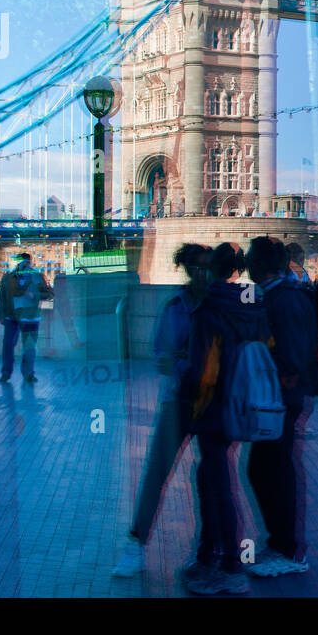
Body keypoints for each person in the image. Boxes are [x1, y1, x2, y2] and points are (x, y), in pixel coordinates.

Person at [111, 243, 211, 578]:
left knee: (212, 479)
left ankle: (207, 551)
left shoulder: (221, 306)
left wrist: (183, 361)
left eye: (206, 266)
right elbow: (162, 355)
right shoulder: (176, 308)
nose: (201, 273)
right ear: (185, 269)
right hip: (179, 400)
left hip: (212, 403)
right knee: (156, 473)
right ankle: (136, 545)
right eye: (194, 266)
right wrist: (185, 363)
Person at [181, 242, 271, 595]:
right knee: (213, 477)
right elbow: (266, 348)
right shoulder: (252, 303)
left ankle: (229, 564)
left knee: (217, 483)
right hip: (243, 403)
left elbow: (204, 369)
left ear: (211, 269)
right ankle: (209, 555)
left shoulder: (208, 308)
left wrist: (194, 409)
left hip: (214, 407)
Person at [245, 236, 317, 578]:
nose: (247, 266)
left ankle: (286, 549)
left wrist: (280, 380)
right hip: (279, 399)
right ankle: (282, 545)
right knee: (269, 469)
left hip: (280, 401)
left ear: (262, 264)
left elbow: (291, 351)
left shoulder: (283, 299)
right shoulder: (285, 294)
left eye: (251, 259)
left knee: (271, 470)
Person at [0, 253, 54, 384]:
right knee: (8, 346)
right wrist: (1, 315)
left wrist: (34, 294)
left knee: (29, 347)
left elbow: (50, 294)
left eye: (26, 261)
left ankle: (28, 373)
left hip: (30, 317)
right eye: (21, 261)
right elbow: (1, 298)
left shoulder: (37, 276)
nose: (23, 264)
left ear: (30, 262)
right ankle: (6, 373)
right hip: (12, 318)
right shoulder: (8, 277)